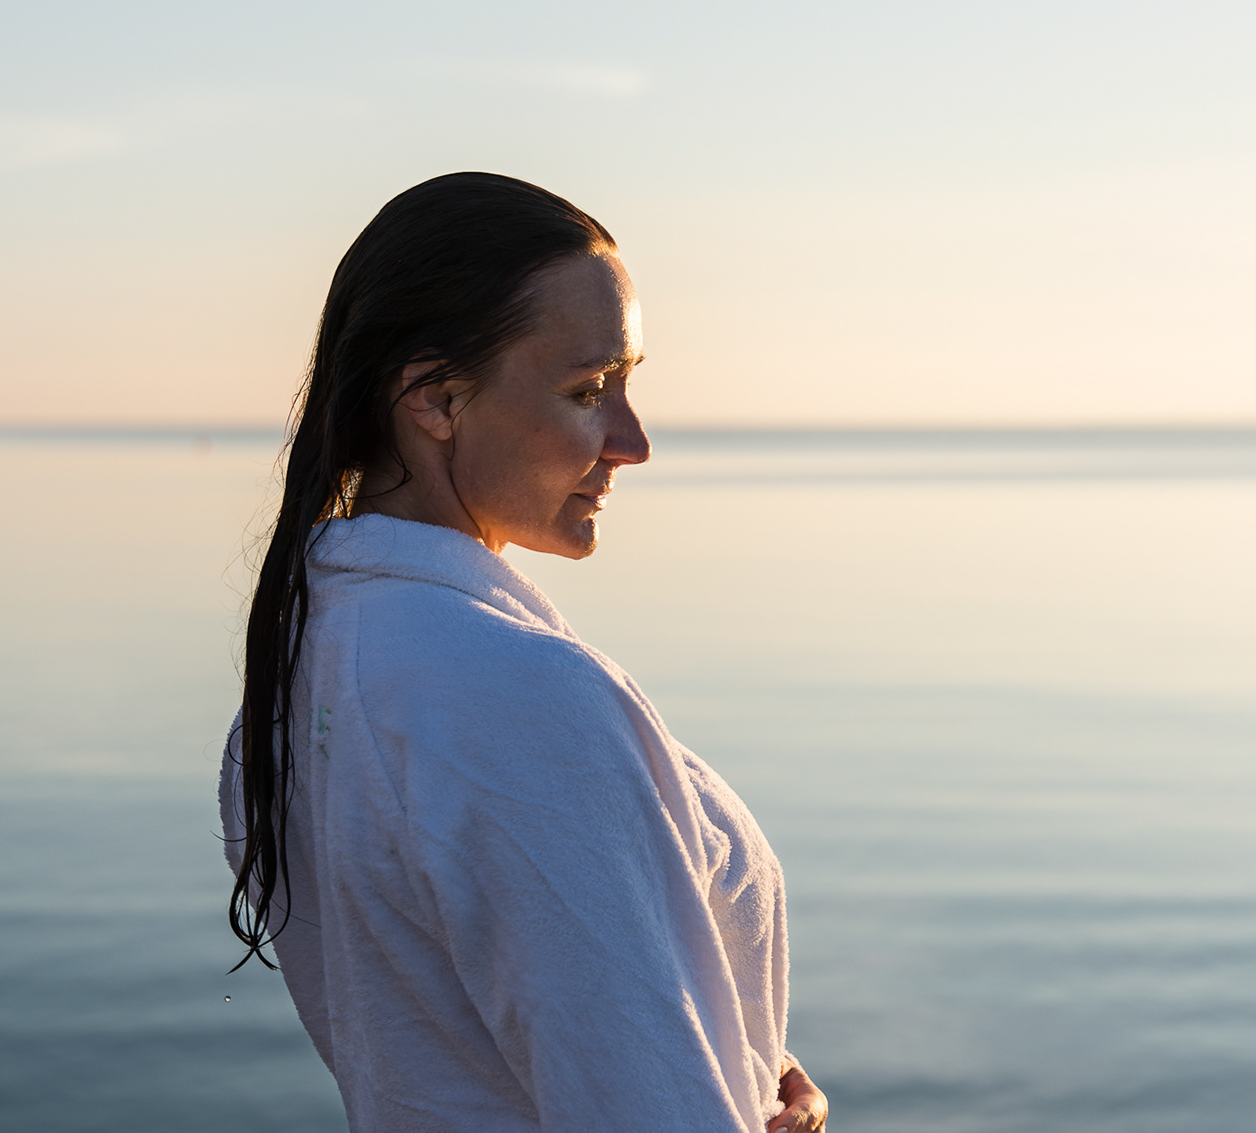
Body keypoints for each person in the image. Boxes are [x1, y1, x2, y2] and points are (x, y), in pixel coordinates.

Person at [220, 172, 828, 1132]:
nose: (632, 442)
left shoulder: (300, 672)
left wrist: (733, 1051)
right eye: (588, 390)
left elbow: (464, 1026)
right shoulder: (521, 696)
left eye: (627, 385)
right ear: (434, 399)